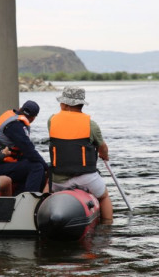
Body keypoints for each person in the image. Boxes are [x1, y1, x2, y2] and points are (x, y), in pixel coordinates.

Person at [48, 86, 113, 223]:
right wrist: (104, 155)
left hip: (58, 180)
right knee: (104, 196)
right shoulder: (91, 125)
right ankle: (107, 225)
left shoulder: (51, 121)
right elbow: (103, 148)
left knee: (45, 188)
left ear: (64, 104)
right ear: (81, 104)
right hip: (86, 178)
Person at [0, 100, 48, 194]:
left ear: (20, 109)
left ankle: (19, 193)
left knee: (30, 162)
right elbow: (29, 151)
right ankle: (29, 200)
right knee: (37, 167)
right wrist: (47, 168)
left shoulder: (10, 116)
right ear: (33, 118)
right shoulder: (15, 125)